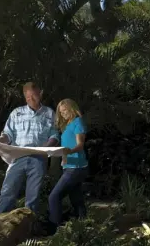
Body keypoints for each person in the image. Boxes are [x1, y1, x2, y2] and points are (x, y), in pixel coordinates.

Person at [0, 82, 60, 214]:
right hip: (17, 158)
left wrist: (47, 146)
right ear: (24, 97)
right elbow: (7, 135)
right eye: (28, 98)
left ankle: (28, 227)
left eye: (34, 96)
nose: (31, 100)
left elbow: (55, 135)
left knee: (33, 197)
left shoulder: (50, 113)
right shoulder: (16, 113)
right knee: (7, 191)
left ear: (40, 94)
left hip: (38, 159)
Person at [46, 98, 89, 233]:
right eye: (61, 111)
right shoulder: (67, 125)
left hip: (76, 168)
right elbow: (66, 147)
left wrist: (69, 151)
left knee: (54, 197)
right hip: (69, 167)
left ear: (72, 109)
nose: (63, 113)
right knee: (76, 199)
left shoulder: (78, 122)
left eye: (65, 110)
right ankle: (85, 228)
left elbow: (80, 145)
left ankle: (55, 229)